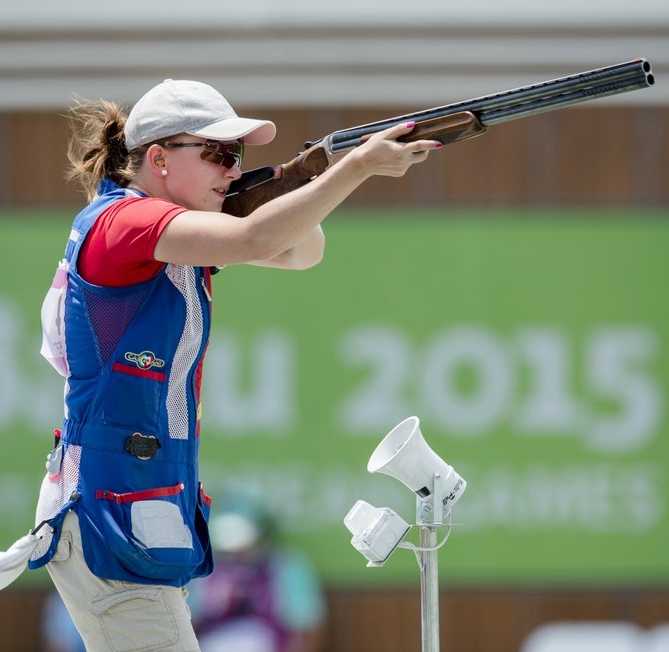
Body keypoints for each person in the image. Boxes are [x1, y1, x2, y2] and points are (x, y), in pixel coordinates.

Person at [28, 77, 441, 652]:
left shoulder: (159, 232)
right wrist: (356, 168)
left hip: (128, 507)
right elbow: (252, 238)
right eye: (219, 154)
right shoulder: (125, 223)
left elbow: (301, 251)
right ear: (159, 159)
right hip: (109, 509)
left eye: (238, 157)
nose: (232, 169)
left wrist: (297, 183)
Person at [187, 492, 326, 652]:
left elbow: (307, 629)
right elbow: (190, 622)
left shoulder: (287, 567)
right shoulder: (205, 569)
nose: (237, 553)